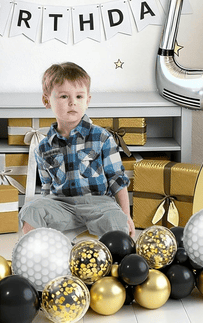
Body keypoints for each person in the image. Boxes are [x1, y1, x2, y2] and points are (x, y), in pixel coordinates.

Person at [19, 62, 135, 238]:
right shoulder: (43, 147)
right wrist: (44, 209)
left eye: (79, 96)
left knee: (117, 220)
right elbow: (46, 188)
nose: (72, 102)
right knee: (31, 211)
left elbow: (117, 179)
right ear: (46, 100)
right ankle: (39, 247)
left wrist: (126, 215)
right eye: (64, 96)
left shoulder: (102, 137)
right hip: (62, 205)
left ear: (87, 101)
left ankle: (113, 249)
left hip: (99, 204)